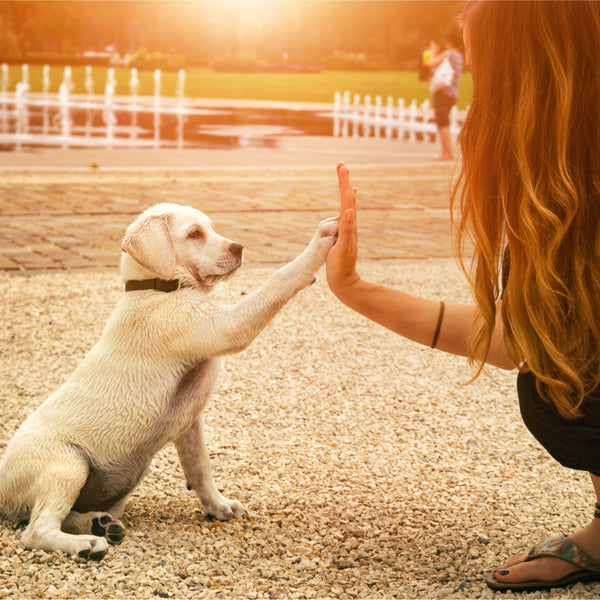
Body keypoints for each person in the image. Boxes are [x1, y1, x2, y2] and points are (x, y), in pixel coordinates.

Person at [326, 0, 600, 592]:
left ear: (536, 80)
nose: (478, 102)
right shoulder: (565, 193)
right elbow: (517, 339)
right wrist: (353, 288)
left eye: (487, 76)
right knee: (558, 367)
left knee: (563, 387)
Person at [428, 29, 463, 160]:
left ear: (449, 41)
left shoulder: (448, 54)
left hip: (443, 92)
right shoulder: (459, 57)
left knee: (442, 123)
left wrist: (433, 51)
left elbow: (431, 63)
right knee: (445, 122)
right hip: (453, 93)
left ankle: (447, 153)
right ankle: (447, 152)